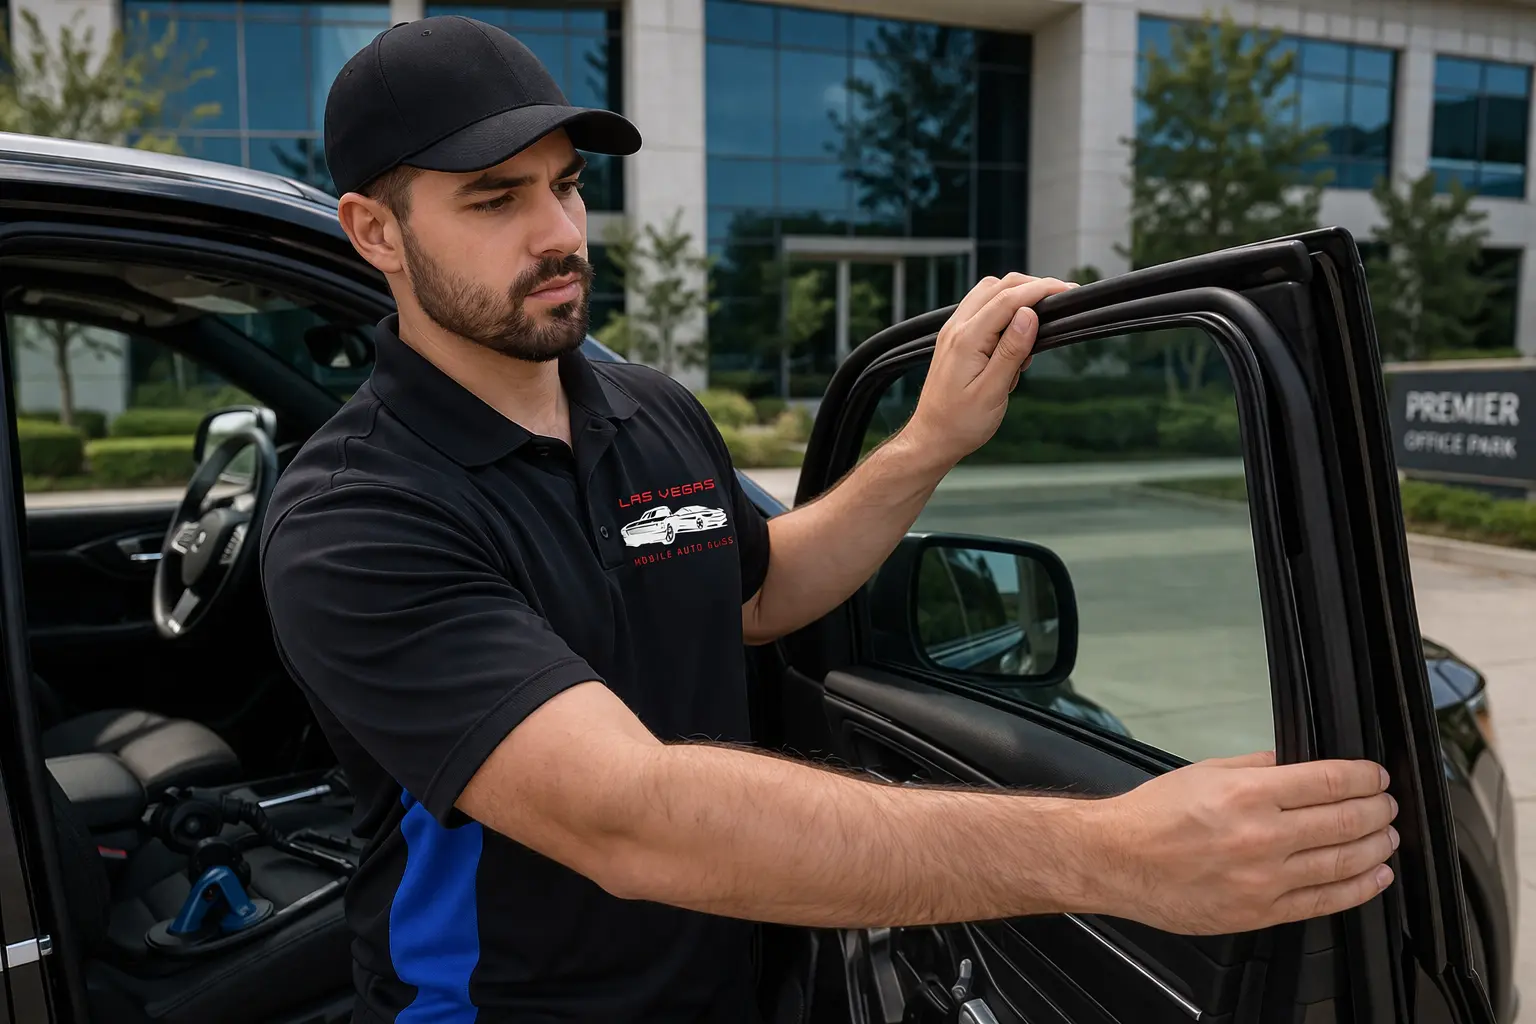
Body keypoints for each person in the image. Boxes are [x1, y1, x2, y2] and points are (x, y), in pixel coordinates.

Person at [260, 15, 1400, 1023]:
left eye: (564, 183)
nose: (560, 232)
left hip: (740, 978)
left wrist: (932, 437)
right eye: (496, 199)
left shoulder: (647, 408)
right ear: (374, 231)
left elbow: (760, 591)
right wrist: (1114, 853)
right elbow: (634, 818)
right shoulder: (356, 514)